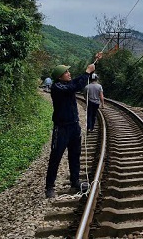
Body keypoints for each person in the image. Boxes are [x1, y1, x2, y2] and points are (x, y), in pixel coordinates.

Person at [44, 53, 101, 198]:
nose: (69, 73)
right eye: (66, 72)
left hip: (74, 126)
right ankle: (49, 186)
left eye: (68, 71)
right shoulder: (57, 88)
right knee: (55, 157)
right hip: (61, 128)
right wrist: (87, 72)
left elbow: (78, 81)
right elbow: (76, 86)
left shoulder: (68, 84)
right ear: (59, 76)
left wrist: (93, 65)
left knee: (75, 155)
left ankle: (75, 181)